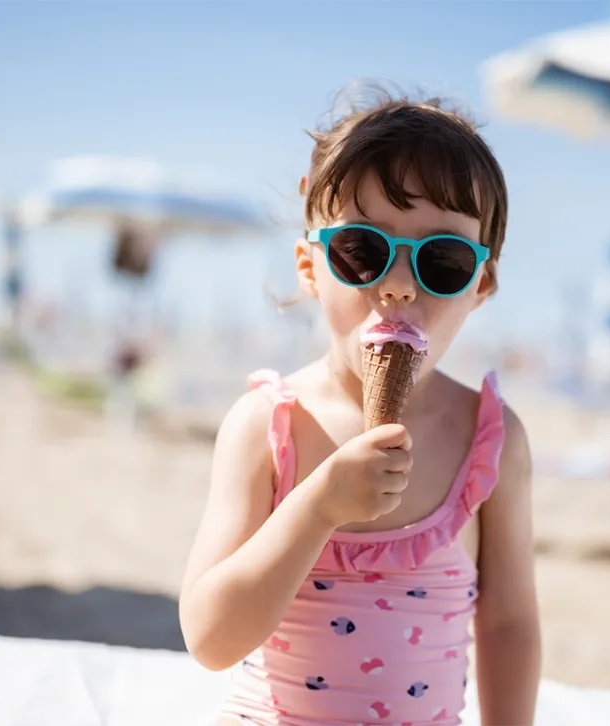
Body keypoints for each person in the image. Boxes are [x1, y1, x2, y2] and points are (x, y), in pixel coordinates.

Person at [179, 86, 541, 726]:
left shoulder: (490, 439)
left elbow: (509, 623)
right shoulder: (269, 426)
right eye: (363, 251)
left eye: (444, 260)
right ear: (310, 265)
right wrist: (316, 506)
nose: (398, 286)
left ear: (480, 286)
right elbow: (212, 638)